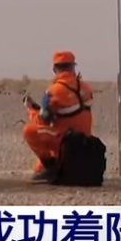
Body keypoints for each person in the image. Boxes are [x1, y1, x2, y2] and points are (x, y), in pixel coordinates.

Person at [22, 51, 94, 183]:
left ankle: (51, 168)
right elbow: (71, 110)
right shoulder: (87, 88)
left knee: (29, 130)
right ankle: (52, 166)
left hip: (66, 140)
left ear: (55, 69)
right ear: (73, 67)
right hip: (85, 141)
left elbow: (42, 120)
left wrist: (31, 109)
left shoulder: (53, 91)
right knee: (38, 168)